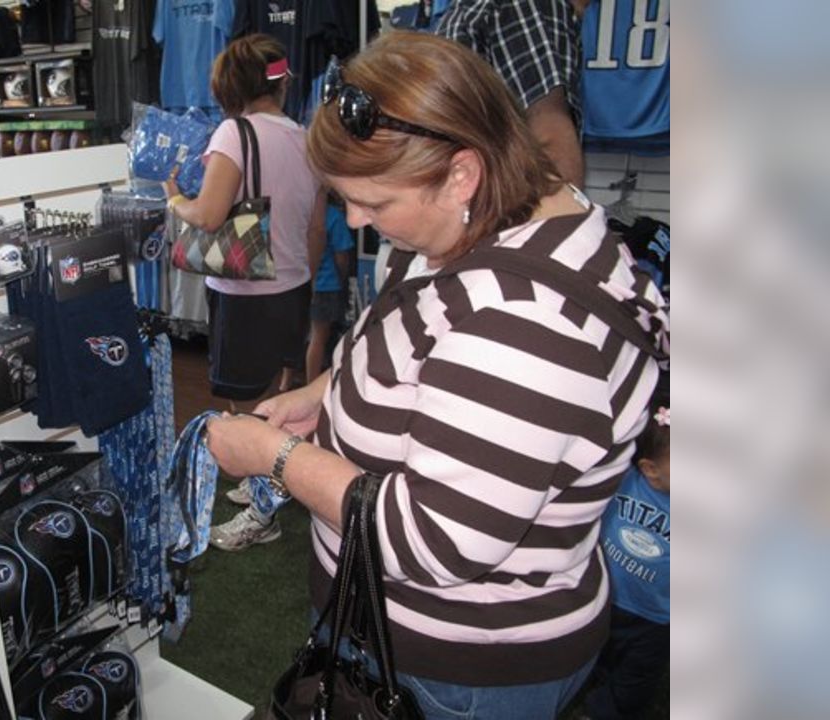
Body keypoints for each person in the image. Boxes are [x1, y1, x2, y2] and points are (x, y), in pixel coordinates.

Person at [203, 31, 667, 719]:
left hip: (452, 668)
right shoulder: (488, 221)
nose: (356, 219)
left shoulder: (525, 325)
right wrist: (324, 393)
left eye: (376, 204)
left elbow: (433, 539)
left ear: (461, 175)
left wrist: (277, 457)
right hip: (396, 631)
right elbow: (415, 348)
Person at [164, 33, 323, 551]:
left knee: (243, 398)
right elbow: (316, 227)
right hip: (293, 283)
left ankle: (262, 509)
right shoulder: (304, 136)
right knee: (281, 395)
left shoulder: (233, 133)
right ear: (279, 83)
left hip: (244, 288)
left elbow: (208, 215)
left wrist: (175, 200)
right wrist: (300, 273)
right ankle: (270, 482)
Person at [583, 389, 670, 720]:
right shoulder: (624, 481)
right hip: (605, 597)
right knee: (595, 657)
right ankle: (592, 685)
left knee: (634, 683)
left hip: (655, 619)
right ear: (650, 469)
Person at [435, 0, 586, 186]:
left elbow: (550, 137)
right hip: (480, 197)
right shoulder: (516, 6)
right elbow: (550, 136)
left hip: (488, 199)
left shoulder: (518, 5)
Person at [305, 193, 356, 386]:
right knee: (320, 337)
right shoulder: (333, 216)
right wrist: (342, 278)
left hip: (301, 281)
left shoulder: (302, 214)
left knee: (302, 335)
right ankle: (312, 384)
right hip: (326, 283)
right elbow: (341, 255)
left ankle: (285, 381)